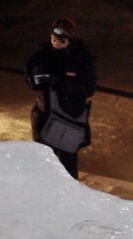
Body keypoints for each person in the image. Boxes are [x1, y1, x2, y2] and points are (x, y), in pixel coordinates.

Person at [26, 17, 97, 179]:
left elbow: (88, 88)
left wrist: (63, 81)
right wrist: (40, 78)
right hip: (45, 114)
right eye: (53, 39)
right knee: (43, 157)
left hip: (68, 117)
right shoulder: (43, 54)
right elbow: (31, 80)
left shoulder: (82, 58)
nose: (56, 44)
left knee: (67, 161)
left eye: (61, 41)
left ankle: (68, 190)